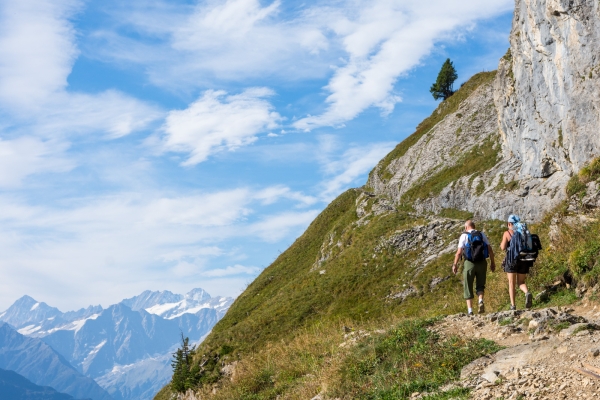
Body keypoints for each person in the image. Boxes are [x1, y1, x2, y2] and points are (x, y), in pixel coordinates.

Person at [452, 220, 496, 315]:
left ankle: (470, 311)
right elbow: (490, 250)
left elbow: (459, 252)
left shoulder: (464, 236)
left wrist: (455, 264)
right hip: (482, 263)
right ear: (474, 226)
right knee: (480, 284)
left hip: (469, 263)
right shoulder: (481, 234)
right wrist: (492, 262)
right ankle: (480, 300)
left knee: (468, 286)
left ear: (466, 227)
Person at [500, 214, 533, 310]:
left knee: (511, 283)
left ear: (510, 223)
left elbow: (503, 247)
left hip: (511, 260)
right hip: (524, 259)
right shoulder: (523, 232)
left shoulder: (507, 233)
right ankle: (527, 292)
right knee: (521, 282)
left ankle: (513, 305)